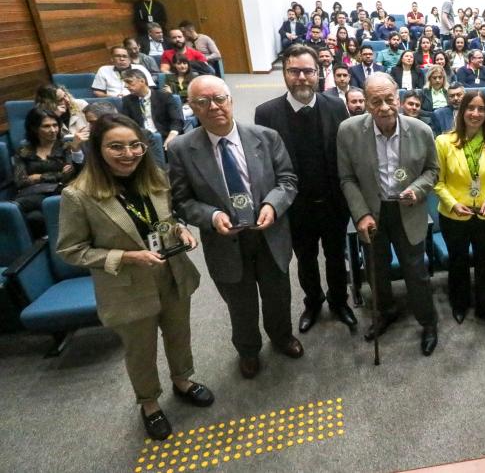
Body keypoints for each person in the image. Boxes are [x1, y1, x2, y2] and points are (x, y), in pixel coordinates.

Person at [57, 113, 212, 441]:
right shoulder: (78, 195)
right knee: (140, 349)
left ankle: (183, 381)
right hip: (127, 284)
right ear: (98, 149)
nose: (128, 154)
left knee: (179, 334)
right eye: (116, 147)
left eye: (134, 145)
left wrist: (180, 230)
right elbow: (71, 250)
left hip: (170, 272)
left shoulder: (154, 177)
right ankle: (150, 403)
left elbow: (164, 219)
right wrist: (125, 257)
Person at [169, 76, 302, 379]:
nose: (213, 106)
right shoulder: (181, 149)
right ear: (192, 108)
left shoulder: (266, 137)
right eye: (203, 102)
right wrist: (212, 216)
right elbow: (181, 200)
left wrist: (272, 205)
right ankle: (248, 350)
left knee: (278, 294)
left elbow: (287, 180)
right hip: (224, 241)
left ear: (230, 100)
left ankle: (282, 337)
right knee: (240, 304)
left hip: (269, 233)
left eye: (219, 98)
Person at [255, 45, 356, 334]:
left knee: (337, 256)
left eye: (308, 71)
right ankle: (313, 302)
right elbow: (266, 165)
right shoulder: (267, 113)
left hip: (333, 201)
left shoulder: (337, 106)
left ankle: (339, 301)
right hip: (295, 205)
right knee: (306, 259)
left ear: (318, 73)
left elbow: (346, 154)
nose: (301, 77)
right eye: (294, 71)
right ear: (284, 73)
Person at [336, 73, 440, 356]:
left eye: (389, 99)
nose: (384, 107)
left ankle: (428, 322)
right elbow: (347, 178)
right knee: (376, 271)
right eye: (375, 101)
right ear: (366, 103)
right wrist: (360, 215)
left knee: (415, 272)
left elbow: (433, 170)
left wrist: (418, 189)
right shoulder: (348, 131)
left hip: (408, 209)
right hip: (373, 212)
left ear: (399, 97)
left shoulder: (421, 130)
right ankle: (385, 312)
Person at [434, 91, 485, 332]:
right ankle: (460, 304)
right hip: (454, 215)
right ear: (461, 111)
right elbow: (438, 182)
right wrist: (453, 203)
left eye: (481, 109)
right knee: (458, 262)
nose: (475, 114)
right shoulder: (444, 142)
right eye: (471, 108)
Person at [13, 108, 78, 236]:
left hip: (60, 192)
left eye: (55, 125)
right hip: (33, 194)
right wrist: (56, 175)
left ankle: (13, 207)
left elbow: (68, 175)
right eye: (46, 126)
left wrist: (38, 177)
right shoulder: (23, 150)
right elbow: (20, 181)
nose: (53, 130)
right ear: (34, 128)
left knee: (21, 206)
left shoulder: (66, 147)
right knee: (35, 217)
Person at [121, 69, 184, 151]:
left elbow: (177, 120)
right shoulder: (127, 100)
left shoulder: (164, 97)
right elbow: (126, 123)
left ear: (142, 81)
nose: (126, 86)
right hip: (141, 139)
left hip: (164, 136)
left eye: (129, 82)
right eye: (125, 83)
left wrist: (171, 136)